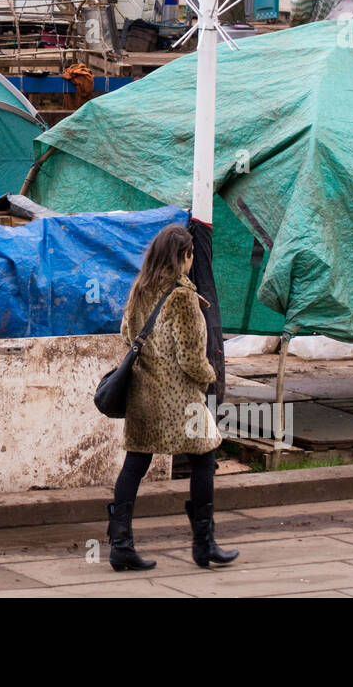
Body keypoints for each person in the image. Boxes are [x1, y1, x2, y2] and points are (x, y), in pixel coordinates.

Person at [107, 222, 239, 572]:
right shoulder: (182, 297)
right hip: (180, 400)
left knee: (135, 464)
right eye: (190, 256)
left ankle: (120, 544)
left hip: (142, 395)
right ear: (182, 256)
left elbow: (126, 335)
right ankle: (203, 542)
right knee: (205, 458)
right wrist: (210, 377)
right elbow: (192, 358)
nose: (191, 262)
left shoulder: (140, 290)